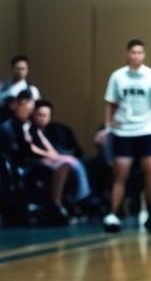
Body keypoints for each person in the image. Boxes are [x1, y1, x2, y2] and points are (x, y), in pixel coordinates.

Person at [100, 39, 151, 232]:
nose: (136, 56)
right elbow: (110, 103)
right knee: (120, 172)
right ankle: (114, 214)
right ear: (127, 54)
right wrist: (108, 126)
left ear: (144, 55)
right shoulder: (117, 77)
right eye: (133, 52)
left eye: (140, 52)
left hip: (147, 129)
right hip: (123, 131)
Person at [0, 90, 71, 224]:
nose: (30, 113)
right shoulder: (7, 127)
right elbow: (18, 150)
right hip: (19, 165)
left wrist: (49, 155)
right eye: (28, 109)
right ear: (19, 105)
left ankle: (57, 205)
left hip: (33, 162)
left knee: (63, 166)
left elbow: (41, 145)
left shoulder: (31, 127)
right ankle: (53, 206)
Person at [31, 100, 95, 217]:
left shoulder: (56, 130)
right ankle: (62, 203)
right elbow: (31, 150)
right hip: (36, 162)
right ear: (33, 114)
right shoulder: (30, 130)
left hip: (57, 159)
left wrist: (58, 156)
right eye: (39, 115)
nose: (42, 118)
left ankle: (80, 200)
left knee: (72, 163)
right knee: (66, 164)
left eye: (45, 115)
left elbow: (58, 151)